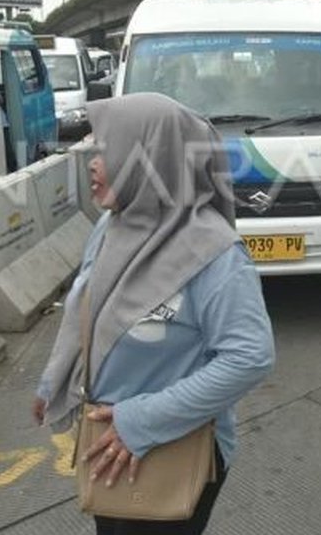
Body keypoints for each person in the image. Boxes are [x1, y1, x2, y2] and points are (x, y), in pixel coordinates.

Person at [32, 92, 275, 535]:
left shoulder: (215, 253)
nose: (91, 161)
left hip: (175, 448)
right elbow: (85, 302)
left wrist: (140, 421)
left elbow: (250, 358)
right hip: (110, 442)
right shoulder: (115, 226)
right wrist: (55, 381)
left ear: (149, 158)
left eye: (107, 150)